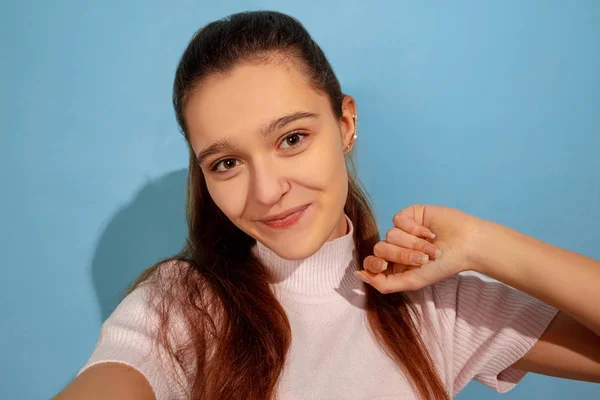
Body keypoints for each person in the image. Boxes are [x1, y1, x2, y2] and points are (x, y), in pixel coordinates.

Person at [54, 10, 600, 400]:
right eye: (226, 163)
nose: (266, 192)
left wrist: (484, 245)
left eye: (291, 138)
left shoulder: (433, 301)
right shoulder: (178, 308)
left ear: (345, 124)